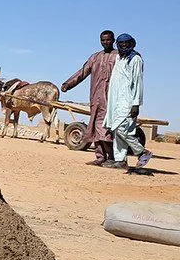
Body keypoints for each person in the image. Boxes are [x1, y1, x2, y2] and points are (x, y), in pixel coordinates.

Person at [61, 30, 117, 165]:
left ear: (113, 40)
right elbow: (82, 72)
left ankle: (112, 158)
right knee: (94, 126)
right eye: (103, 40)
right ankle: (100, 157)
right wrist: (68, 84)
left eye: (108, 40)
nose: (105, 42)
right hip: (95, 97)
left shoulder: (118, 56)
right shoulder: (95, 57)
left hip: (111, 98)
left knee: (107, 128)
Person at [102, 33, 153, 170]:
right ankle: (120, 160)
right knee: (116, 130)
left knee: (122, 129)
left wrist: (136, 103)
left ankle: (142, 152)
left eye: (127, 43)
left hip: (128, 102)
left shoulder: (135, 59)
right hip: (116, 101)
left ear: (132, 44)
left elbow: (137, 83)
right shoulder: (119, 57)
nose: (124, 45)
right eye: (121, 43)